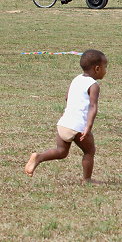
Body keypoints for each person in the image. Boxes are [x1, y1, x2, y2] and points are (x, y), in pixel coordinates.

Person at [24, 50, 108, 184]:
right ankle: (87, 179)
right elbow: (93, 106)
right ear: (97, 68)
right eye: (105, 67)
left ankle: (38, 157)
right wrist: (88, 126)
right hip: (78, 126)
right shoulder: (93, 85)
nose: (105, 70)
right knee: (89, 151)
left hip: (64, 123)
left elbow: (67, 97)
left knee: (61, 151)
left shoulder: (76, 79)